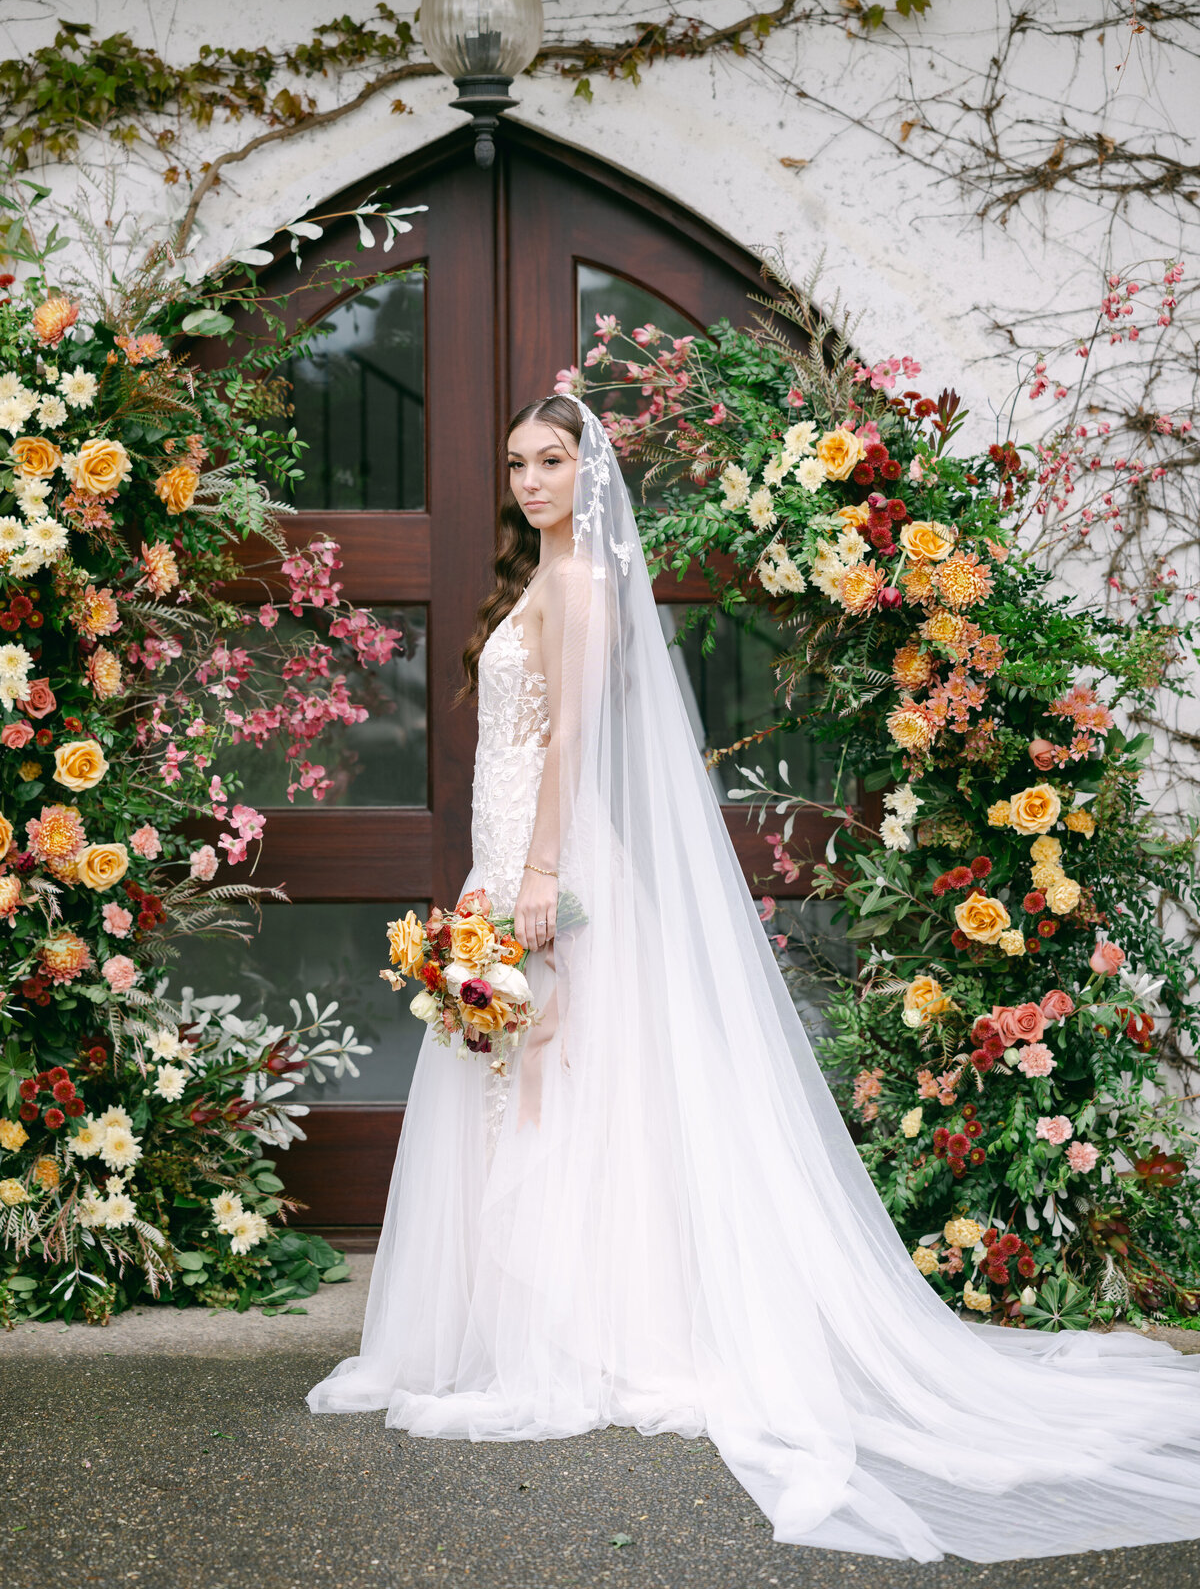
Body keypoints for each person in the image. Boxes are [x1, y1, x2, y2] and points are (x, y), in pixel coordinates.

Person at [308, 390, 1200, 1564]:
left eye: (553, 460)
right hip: (508, 853)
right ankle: (512, 1329)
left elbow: (573, 740)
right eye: (518, 463)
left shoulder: (578, 586)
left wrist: (535, 876)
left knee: (549, 1077)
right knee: (520, 1078)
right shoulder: (548, 575)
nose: (530, 482)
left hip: (550, 862)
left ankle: (566, 1335)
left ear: (590, 471)